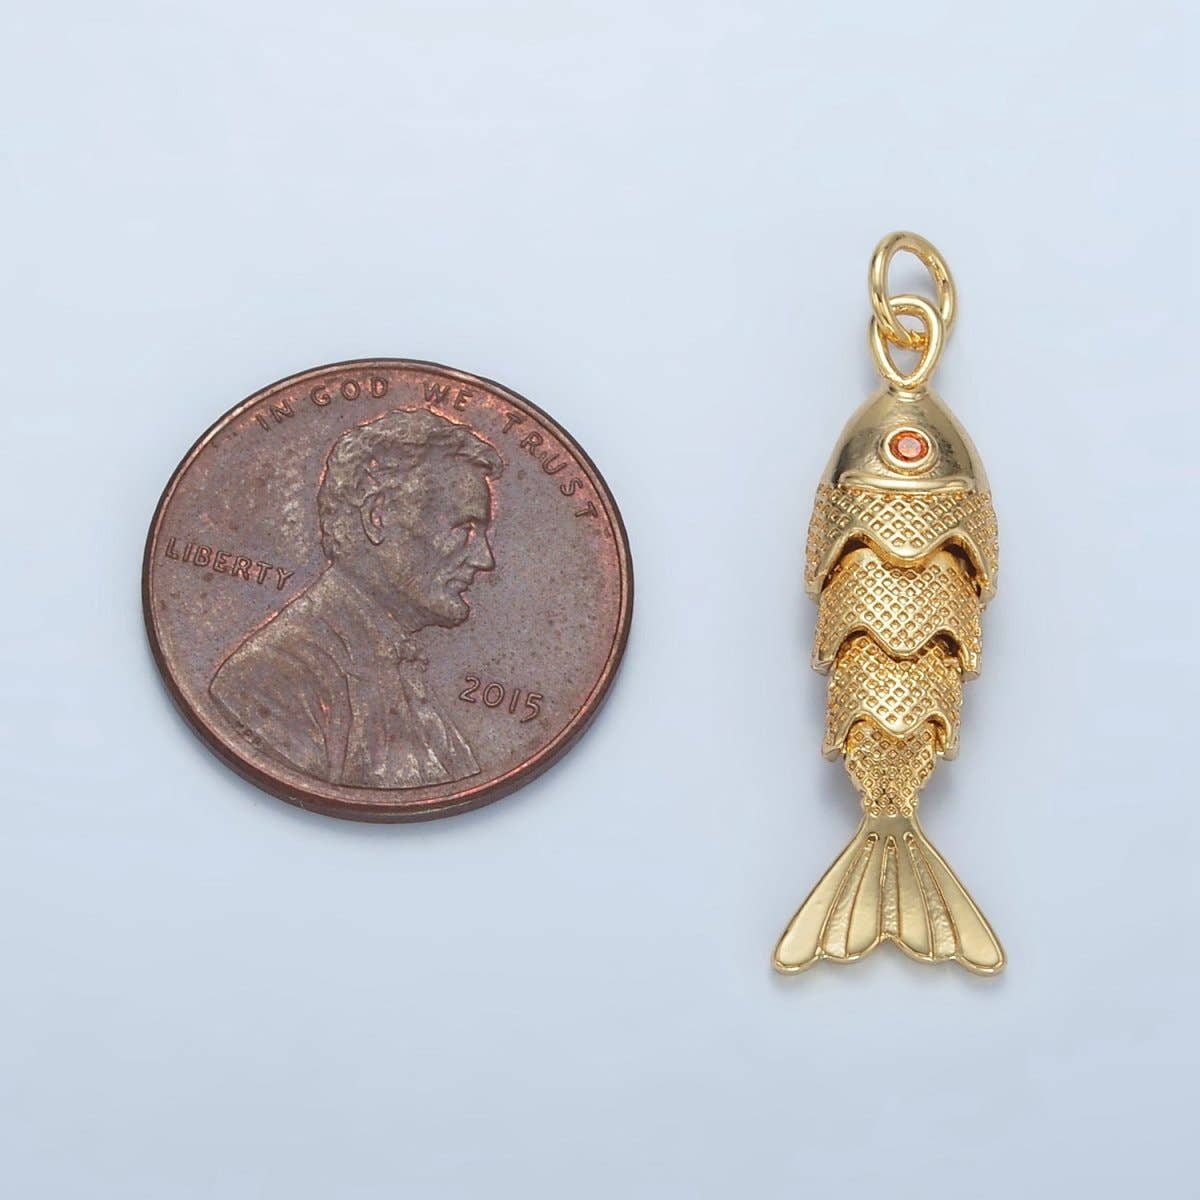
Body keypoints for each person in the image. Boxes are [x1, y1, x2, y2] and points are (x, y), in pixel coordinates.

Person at [210, 409, 501, 788]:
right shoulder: (270, 680)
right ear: (377, 516)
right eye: (465, 529)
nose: (484, 559)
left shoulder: (392, 665)